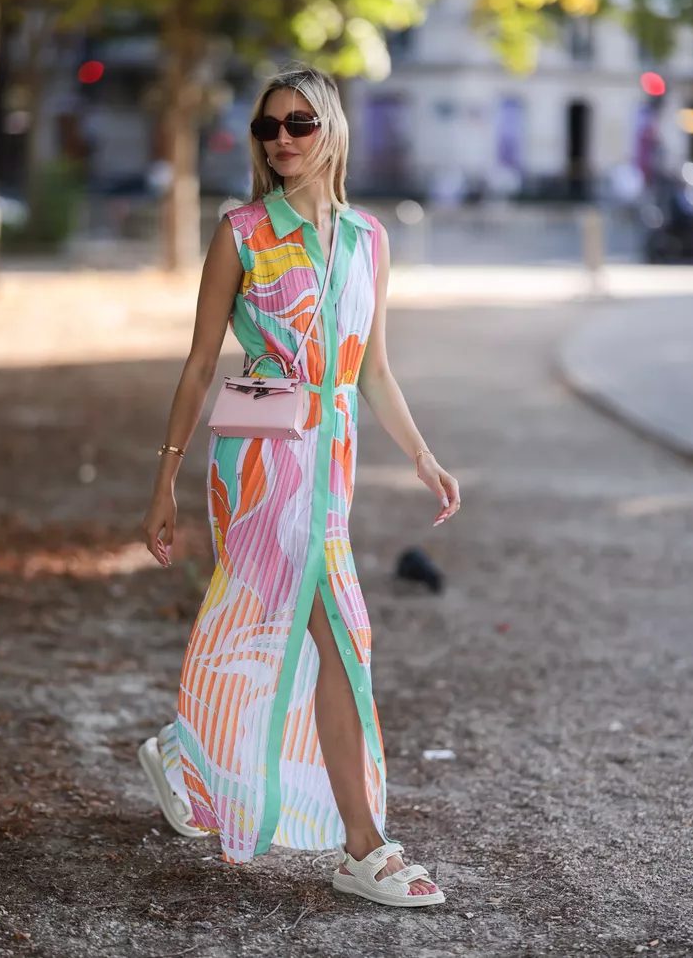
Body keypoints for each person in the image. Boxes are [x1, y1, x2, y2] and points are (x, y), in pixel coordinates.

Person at [139, 64, 461, 908]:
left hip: (332, 464)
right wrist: (165, 479)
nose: (281, 138)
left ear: (332, 129)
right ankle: (364, 846)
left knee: (274, 629)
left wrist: (422, 456)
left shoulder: (368, 240)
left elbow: (373, 369)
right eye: (268, 126)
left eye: (299, 123)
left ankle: (186, 753)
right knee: (343, 631)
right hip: (261, 465)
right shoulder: (242, 232)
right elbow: (200, 363)